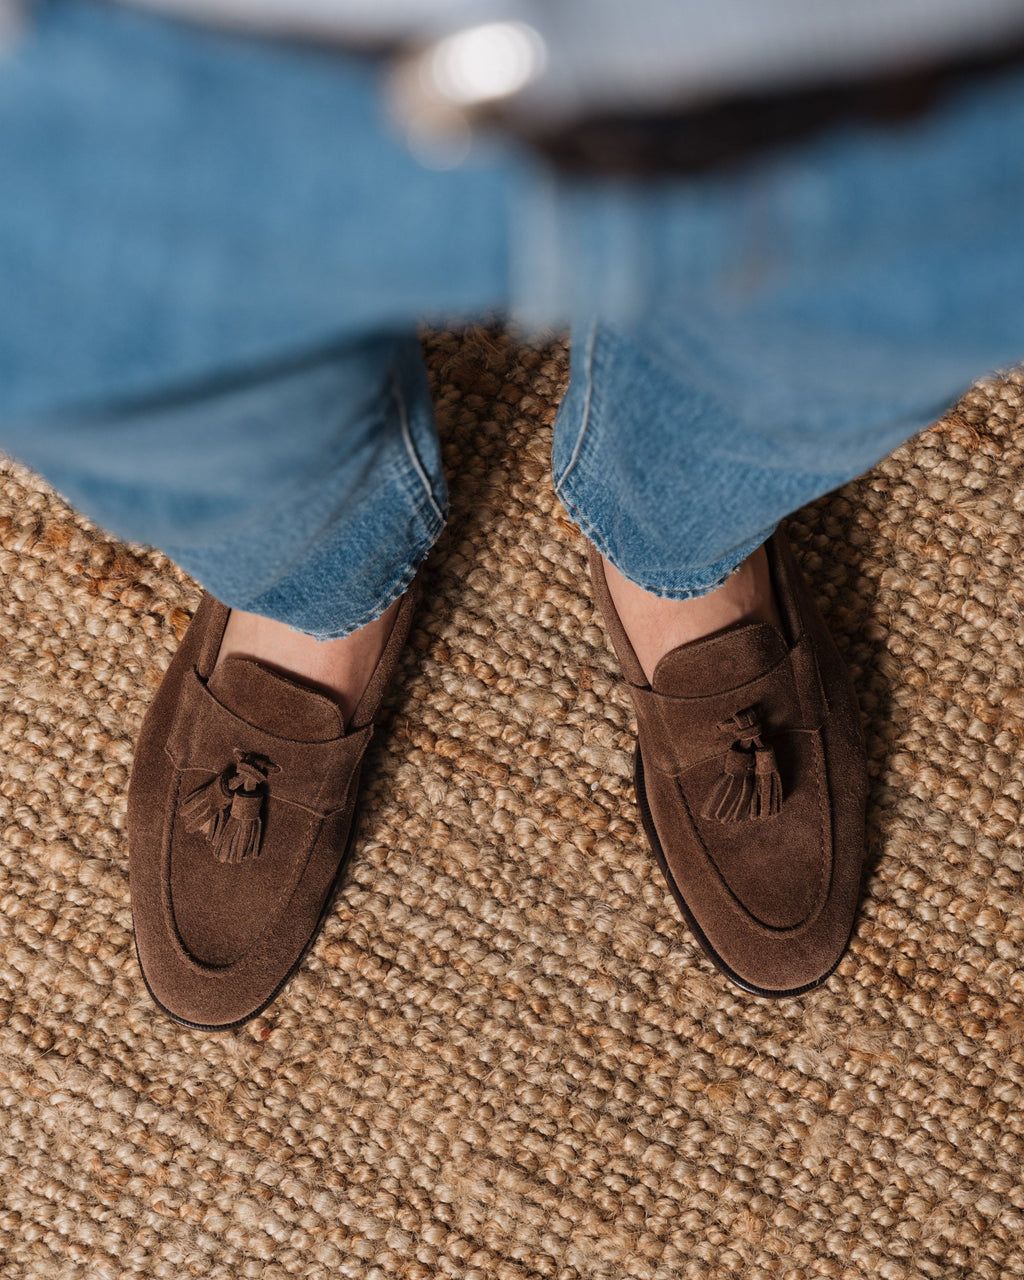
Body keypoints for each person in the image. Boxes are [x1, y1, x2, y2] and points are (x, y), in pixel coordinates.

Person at [3, 0, 1024, 1028]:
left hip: (863, 51)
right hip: (135, 55)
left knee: (811, 354)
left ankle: (678, 543)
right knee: (162, 382)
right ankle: (309, 582)